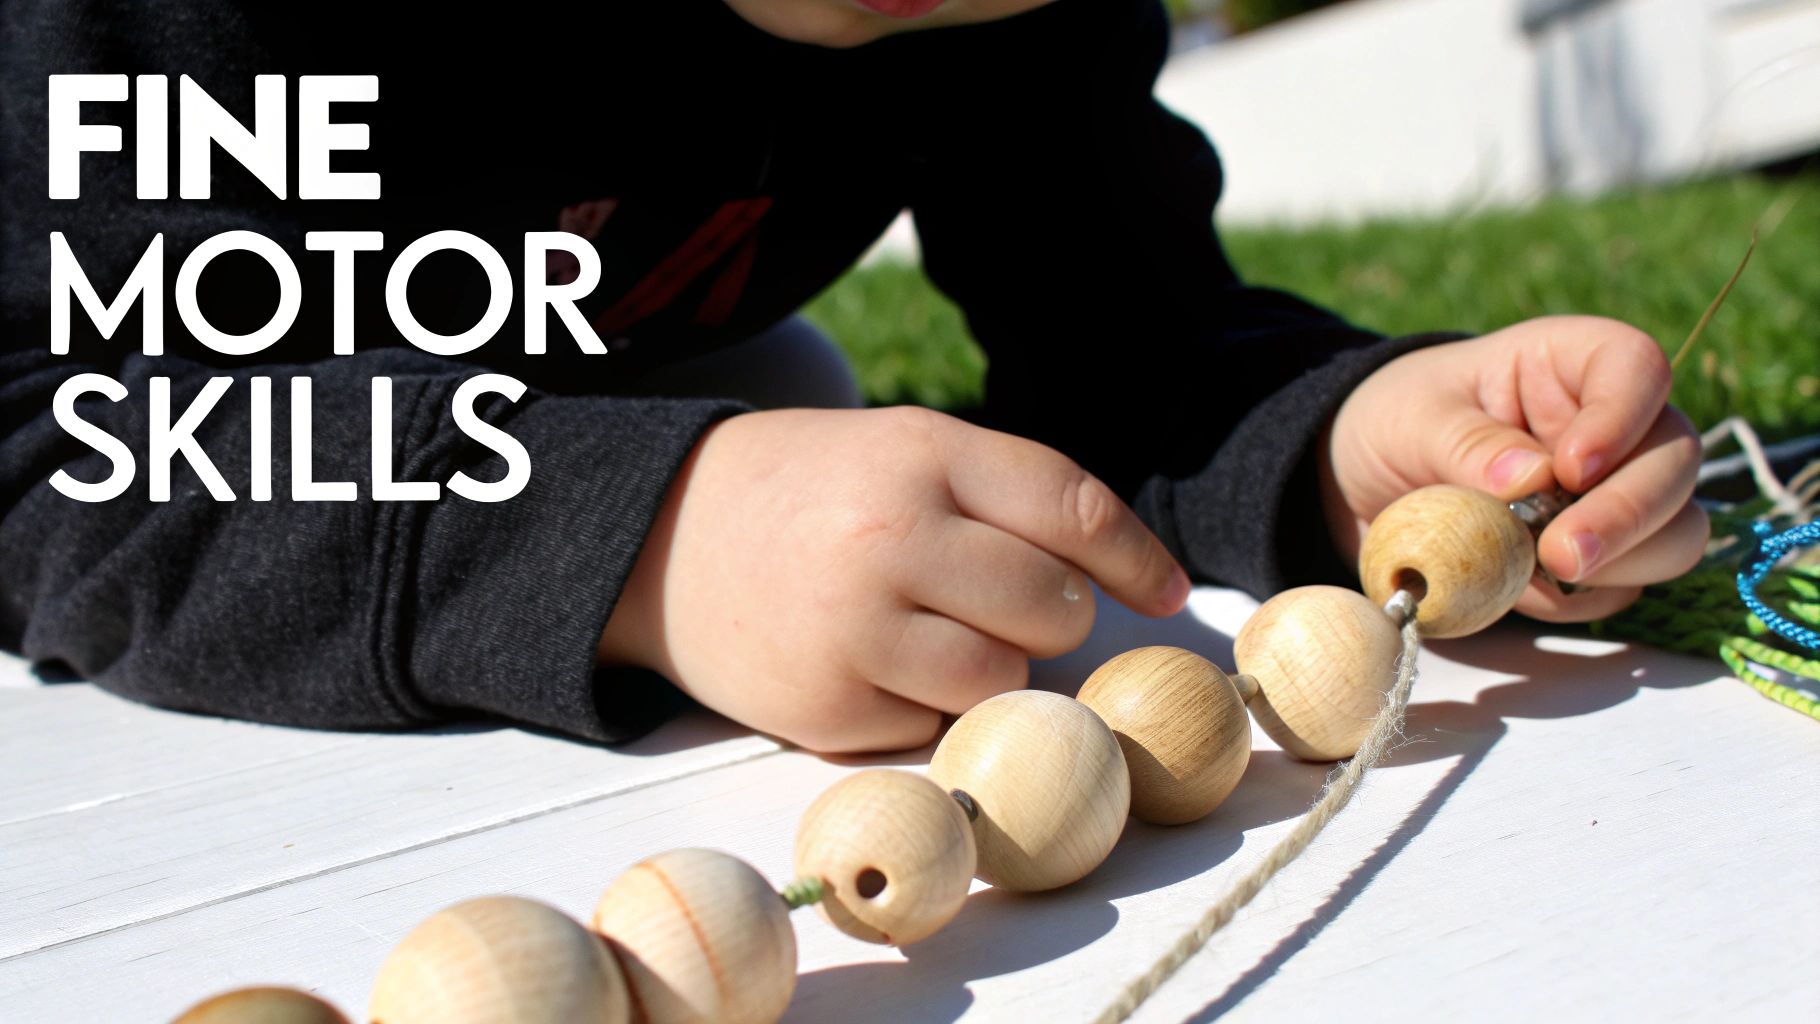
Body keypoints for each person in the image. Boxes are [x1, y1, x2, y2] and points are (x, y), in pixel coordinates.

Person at [0, 0, 1706, 753]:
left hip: (621, 356)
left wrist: (1335, 439)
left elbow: (1124, 346)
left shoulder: (995, 17)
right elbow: (60, 438)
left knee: (810, 427)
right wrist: (645, 538)